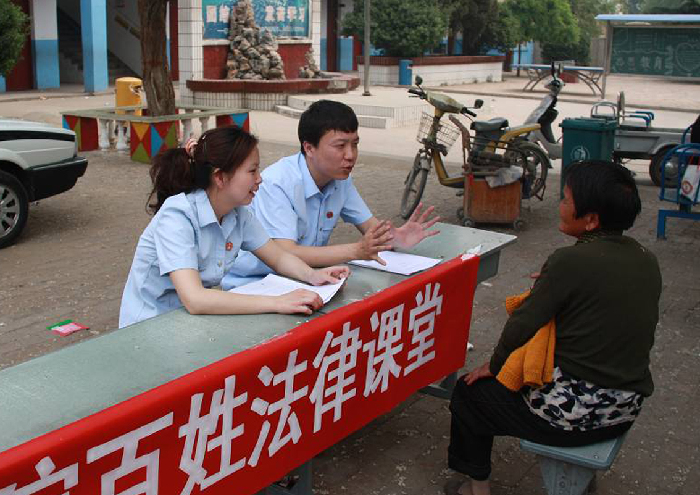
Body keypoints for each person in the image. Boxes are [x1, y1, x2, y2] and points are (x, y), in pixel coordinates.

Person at [445, 161, 662, 495]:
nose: (560, 206)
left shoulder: (569, 261)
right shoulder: (645, 258)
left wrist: (495, 366)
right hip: (625, 406)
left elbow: (521, 325)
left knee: (469, 394)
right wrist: (554, 282)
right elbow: (600, 302)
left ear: (591, 220)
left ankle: (476, 489)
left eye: (566, 200)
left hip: (577, 414)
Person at [119, 126, 349, 328]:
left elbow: (278, 257)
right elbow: (195, 299)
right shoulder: (177, 216)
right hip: (147, 326)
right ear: (220, 177)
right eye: (252, 171)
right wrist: (277, 302)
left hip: (189, 323)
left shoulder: (238, 213)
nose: (260, 179)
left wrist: (313, 275)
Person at [222, 99, 439, 290]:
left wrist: (397, 238)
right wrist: (356, 250)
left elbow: (372, 229)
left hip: (306, 279)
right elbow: (285, 252)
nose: (350, 155)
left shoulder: (340, 179)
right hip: (253, 283)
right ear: (309, 148)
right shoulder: (277, 182)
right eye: (340, 146)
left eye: (355, 144)